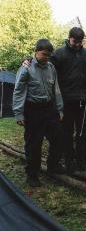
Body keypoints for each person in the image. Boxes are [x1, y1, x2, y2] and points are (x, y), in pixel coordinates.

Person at [13, 39, 64, 187]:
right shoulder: (26, 68)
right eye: (44, 54)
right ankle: (32, 175)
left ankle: (52, 166)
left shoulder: (51, 68)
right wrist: (18, 113)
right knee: (34, 144)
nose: (46, 57)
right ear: (36, 52)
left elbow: (57, 90)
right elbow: (18, 91)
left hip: (49, 109)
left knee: (58, 137)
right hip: (33, 110)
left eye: (49, 55)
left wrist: (60, 109)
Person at [50, 27, 86, 174]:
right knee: (66, 132)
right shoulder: (59, 54)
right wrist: (27, 60)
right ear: (69, 38)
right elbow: (46, 68)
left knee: (83, 132)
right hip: (65, 100)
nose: (77, 44)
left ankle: (82, 162)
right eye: (75, 41)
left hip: (82, 100)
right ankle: (69, 162)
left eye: (80, 41)